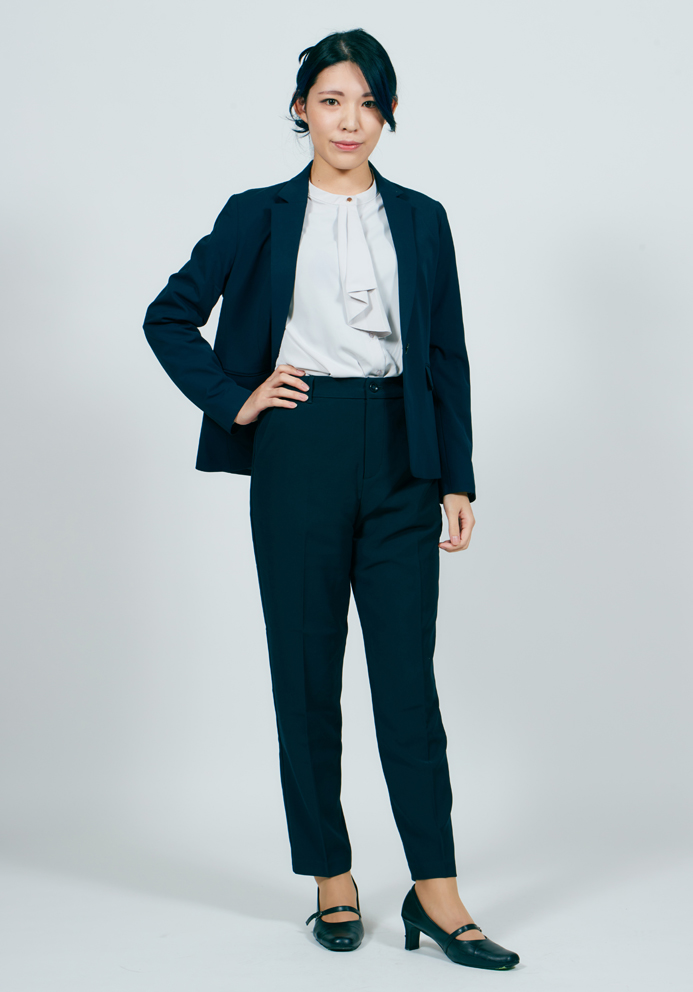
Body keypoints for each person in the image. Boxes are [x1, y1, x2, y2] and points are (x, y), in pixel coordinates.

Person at [142, 27, 519, 971]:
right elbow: (169, 315)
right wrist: (235, 397)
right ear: (301, 109)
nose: (350, 120)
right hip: (299, 446)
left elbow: (446, 353)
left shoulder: (422, 219)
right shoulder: (256, 215)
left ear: (387, 115)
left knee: (406, 684)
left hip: (402, 454)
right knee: (306, 676)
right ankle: (331, 878)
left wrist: (458, 476)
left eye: (368, 103)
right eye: (331, 100)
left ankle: (436, 892)